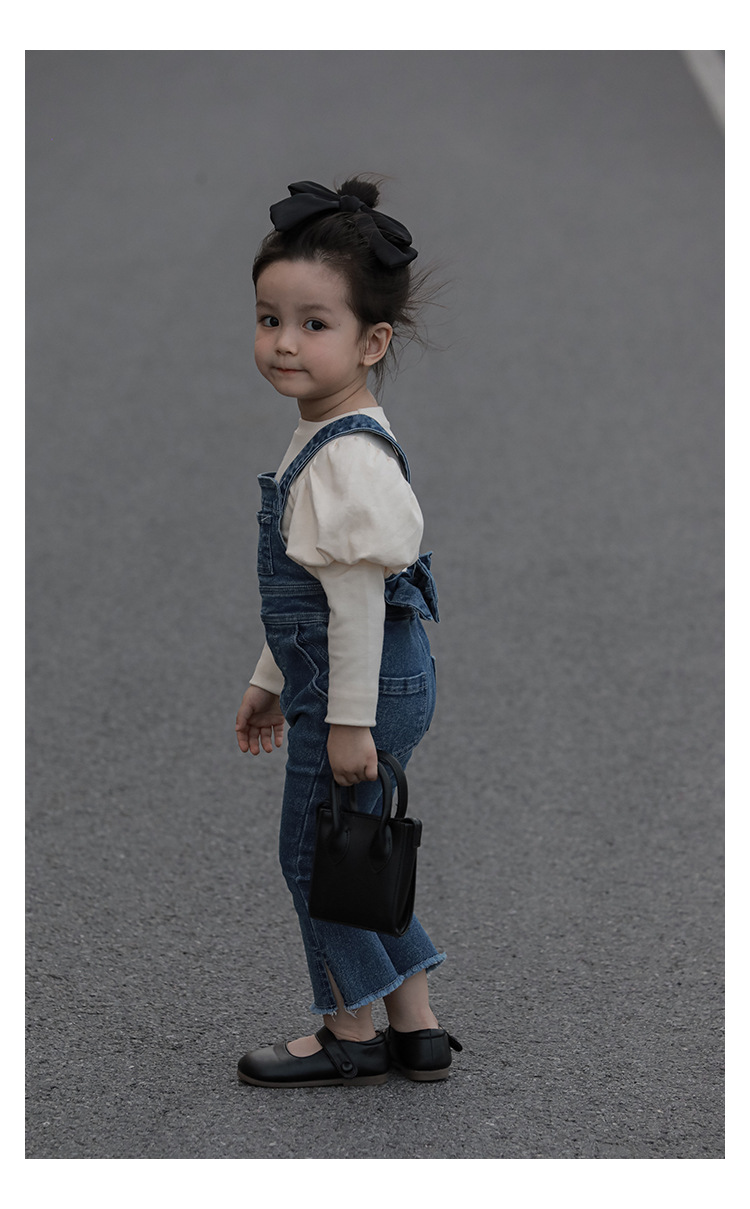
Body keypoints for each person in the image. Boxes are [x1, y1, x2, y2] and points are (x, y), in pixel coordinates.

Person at [235, 178, 461, 1087]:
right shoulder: (334, 428)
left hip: (358, 685)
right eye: (269, 318)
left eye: (314, 323)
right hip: (354, 675)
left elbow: (357, 603)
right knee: (351, 847)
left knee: (313, 856)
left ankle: (349, 1030)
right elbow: (316, 591)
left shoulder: (346, 457)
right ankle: (416, 1025)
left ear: (373, 341)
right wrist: (271, 678)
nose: (285, 342)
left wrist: (346, 723)